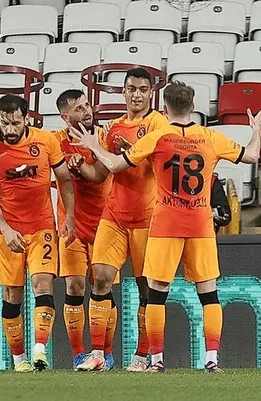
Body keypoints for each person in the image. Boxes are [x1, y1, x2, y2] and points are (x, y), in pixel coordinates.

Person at [68, 80, 261, 373]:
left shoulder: (158, 137)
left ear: (164, 107)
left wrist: (94, 146)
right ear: (193, 107)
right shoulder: (210, 137)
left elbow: (114, 165)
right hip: (199, 225)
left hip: (165, 223)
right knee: (208, 293)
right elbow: (251, 155)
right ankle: (212, 360)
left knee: (157, 293)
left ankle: (157, 361)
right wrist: (256, 131)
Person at [0, 89, 117, 371]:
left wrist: (87, 158)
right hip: (59, 227)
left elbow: (98, 174)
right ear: (64, 117)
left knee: (102, 284)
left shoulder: (105, 136)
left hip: (104, 222)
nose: (87, 111)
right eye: (79, 109)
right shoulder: (54, 140)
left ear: (27, 119)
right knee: (70, 287)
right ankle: (70, 356)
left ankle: (104, 353)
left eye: (87, 106)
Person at [74, 68, 170, 372]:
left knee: (146, 288)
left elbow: (155, 162)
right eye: (131, 89)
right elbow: (100, 173)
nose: (137, 95)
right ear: (124, 92)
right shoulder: (113, 128)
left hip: (147, 218)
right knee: (100, 277)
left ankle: (142, 356)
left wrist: (125, 152)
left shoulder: (158, 123)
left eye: (143, 89)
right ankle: (98, 354)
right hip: (114, 216)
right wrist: (81, 166)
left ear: (151, 93)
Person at [0, 94, 76, 372]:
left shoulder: (45, 141)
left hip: (41, 225)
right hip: (8, 231)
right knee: (12, 293)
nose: (10, 129)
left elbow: (64, 179)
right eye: (4, 123)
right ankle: (19, 359)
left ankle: (39, 350)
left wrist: (69, 216)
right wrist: (6, 229)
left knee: (43, 284)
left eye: (15, 123)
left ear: (26, 119)